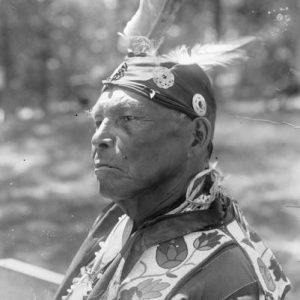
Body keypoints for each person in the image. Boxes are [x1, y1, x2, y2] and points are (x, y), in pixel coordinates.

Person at [54, 37, 291, 300]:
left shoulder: (225, 275)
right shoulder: (116, 221)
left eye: (129, 118)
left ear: (196, 137)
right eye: (98, 121)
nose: (98, 138)